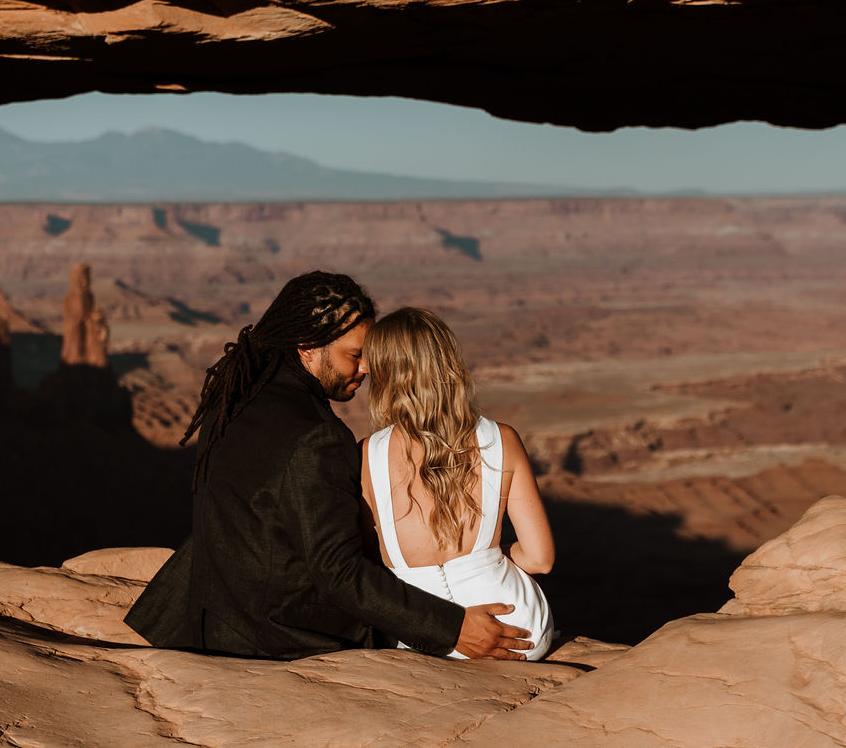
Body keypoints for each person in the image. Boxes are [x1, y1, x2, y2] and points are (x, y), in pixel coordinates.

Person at [125, 272, 533, 660]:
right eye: (354, 355)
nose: (367, 369)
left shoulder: (233, 399)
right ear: (307, 347)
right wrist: (452, 627)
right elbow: (337, 572)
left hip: (208, 615)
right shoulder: (316, 437)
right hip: (278, 636)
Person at [360, 307, 555, 660]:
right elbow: (540, 560)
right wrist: (485, 557)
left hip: (420, 638)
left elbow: (364, 562)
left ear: (386, 373)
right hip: (516, 631)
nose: (362, 370)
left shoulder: (364, 457)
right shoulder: (502, 439)